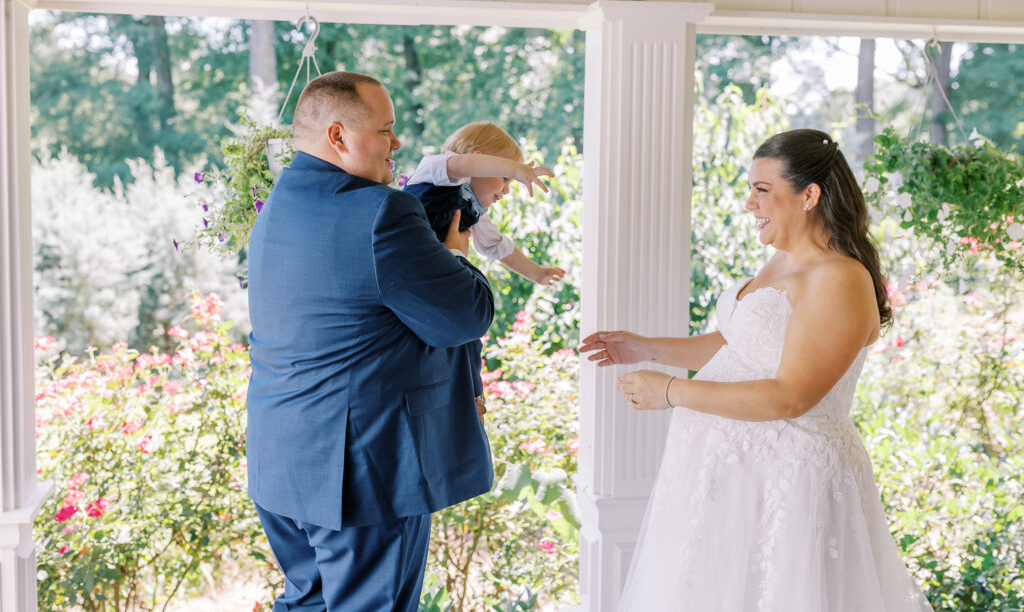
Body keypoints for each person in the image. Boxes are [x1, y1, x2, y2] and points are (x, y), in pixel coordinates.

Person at [580, 129, 934, 611]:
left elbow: (791, 396)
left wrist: (670, 393)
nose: (750, 204)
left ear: (809, 195)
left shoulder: (840, 278)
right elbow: (738, 348)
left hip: (788, 479)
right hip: (729, 474)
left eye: (761, 190)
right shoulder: (782, 262)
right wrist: (645, 349)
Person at [246, 71, 495, 611]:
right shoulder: (383, 212)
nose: (398, 143)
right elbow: (466, 316)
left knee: (307, 603)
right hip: (362, 474)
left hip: (282, 461)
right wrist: (454, 254)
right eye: (386, 130)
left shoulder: (276, 209)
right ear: (338, 136)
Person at [404, 121, 567, 286]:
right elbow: (463, 165)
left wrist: (537, 273)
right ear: (478, 159)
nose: (506, 191)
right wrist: (515, 169)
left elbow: (496, 245)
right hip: (399, 254)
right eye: (505, 178)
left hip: (422, 276)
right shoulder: (438, 170)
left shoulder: (475, 211)